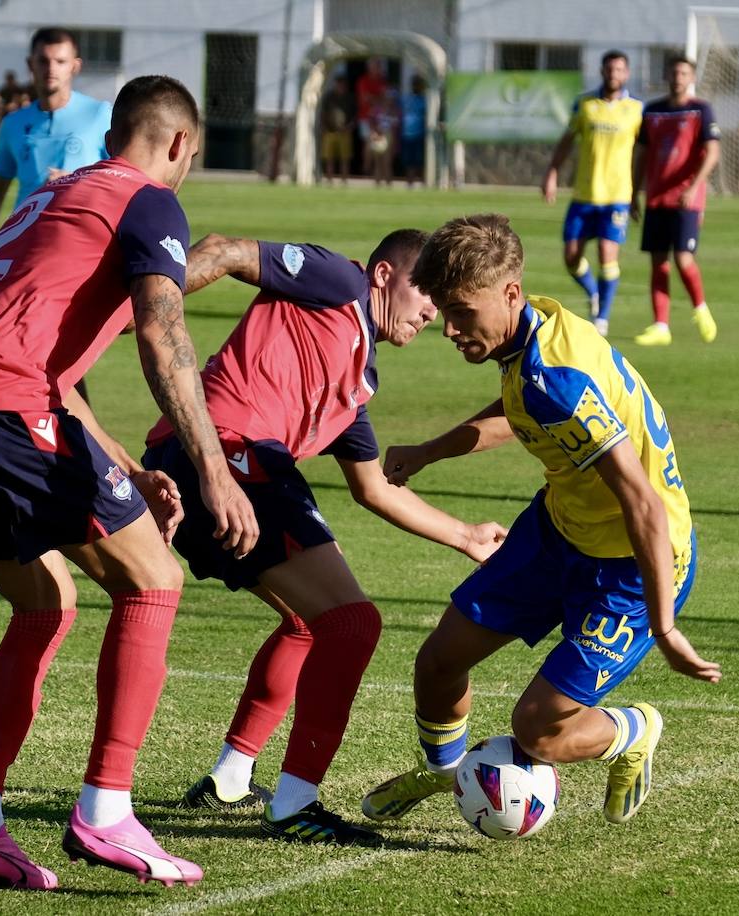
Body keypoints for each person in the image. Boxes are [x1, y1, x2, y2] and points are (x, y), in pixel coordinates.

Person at [0, 75, 258, 891]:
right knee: (155, 580)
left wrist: (130, 466)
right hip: (0, 407)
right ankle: (105, 810)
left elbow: (50, 364)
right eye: (190, 160)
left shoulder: (61, 192)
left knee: (45, 605)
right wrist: (209, 469)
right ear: (177, 145)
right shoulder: (150, 200)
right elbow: (164, 332)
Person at [142, 230, 507, 845]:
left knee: (310, 623)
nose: (433, 313)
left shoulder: (357, 380)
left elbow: (374, 488)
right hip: (227, 454)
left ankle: (232, 777)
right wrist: (150, 302)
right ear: (385, 275)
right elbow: (228, 249)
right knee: (353, 623)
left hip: (208, 462)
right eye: (428, 294)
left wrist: (466, 535)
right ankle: (295, 803)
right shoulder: (339, 282)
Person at [360, 213, 720, 831]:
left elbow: (643, 504)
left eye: (461, 312)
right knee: (439, 662)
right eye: (443, 309)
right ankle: (450, 773)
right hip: (558, 531)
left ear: (509, 293)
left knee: (538, 733)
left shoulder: (558, 375)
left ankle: (633, 730)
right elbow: (518, 404)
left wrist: (664, 627)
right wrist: (429, 451)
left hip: (631, 568)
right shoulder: (535, 329)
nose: (448, 328)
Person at [0, 28, 113, 264]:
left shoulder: (100, 115)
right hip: (26, 243)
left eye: (60, 61)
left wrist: (77, 180)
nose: (51, 68)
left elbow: (125, 179)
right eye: (43, 61)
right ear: (30, 64)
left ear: (75, 66)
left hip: (83, 245)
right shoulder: (13, 123)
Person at [542, 50, 643, 336]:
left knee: (606, 253)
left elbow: (644, 152)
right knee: (571, 257)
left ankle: (602, 317)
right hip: (584, 195)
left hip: (617, 197)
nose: (614, 74)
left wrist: (638, 192)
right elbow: (567, 140)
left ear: (627, 74)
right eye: (610, 69)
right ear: (602, 71)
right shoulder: (585, 104)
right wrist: (552, 172)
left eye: (620, 70)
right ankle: (593, 292)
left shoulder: (637, 109)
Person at [630, 56, 721, 347]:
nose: (678, 77)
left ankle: (700, 309)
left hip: (686, 199)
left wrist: (694, 188)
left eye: (683, 73)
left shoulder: (701, 110)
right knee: (658, 262)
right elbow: (641, 154)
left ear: (691, 77)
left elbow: (713, 153)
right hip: (657, 198)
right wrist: (634, 192)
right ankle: (661, 326)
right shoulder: (653, 110)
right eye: (674, 72)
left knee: (683, 258)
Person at [356, 57, 390, 177]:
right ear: (369, 67)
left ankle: (379, 172)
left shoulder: (382, 81)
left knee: (381, 145)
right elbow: (365, 98)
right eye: (376, 65)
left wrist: (374, 99)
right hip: (365, 117)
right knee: (369, 143)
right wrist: (378, 99)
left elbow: (385, 99)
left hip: (380, 117)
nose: (378, 68)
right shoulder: (363, 80)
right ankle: (366, 169)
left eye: (379, 65)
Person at [319, 75, 355, 184]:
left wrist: (349, 127)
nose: (341, 87)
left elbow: (355, 116)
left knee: (345, 159)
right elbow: (323, 114)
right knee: (329, 158)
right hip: (330, 132)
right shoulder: (329, 97)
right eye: (339, 85)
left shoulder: (350, 98)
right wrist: (324, 128)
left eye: (343, 85)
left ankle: (344, 180)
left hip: (345, 133)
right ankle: (330, 180)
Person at [401, 76, 428, 187]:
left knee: (420, 160)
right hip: (407, 135)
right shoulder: (406, 99)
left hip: (419, 134)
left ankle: (423, 182)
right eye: (414, 84)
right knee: (409, 161)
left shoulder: (424, 100)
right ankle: (410, 182)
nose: (415, 87)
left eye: (417, 85)